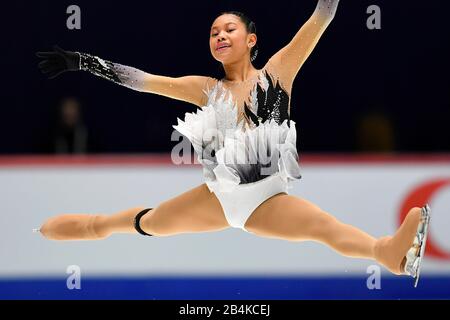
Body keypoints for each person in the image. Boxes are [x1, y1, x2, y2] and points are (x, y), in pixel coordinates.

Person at [35, 0, 430, 287]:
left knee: (324, 227)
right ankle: (88, 227)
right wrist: (84, 62)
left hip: (268, 199)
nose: (220, 35)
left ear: (250, 38)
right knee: (147, 222)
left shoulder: (278, 73)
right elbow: (145, 80)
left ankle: (387, 253)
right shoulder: (205, 88)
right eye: (213, 32)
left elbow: (322, 14)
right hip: (218, 198)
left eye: (229, 29)